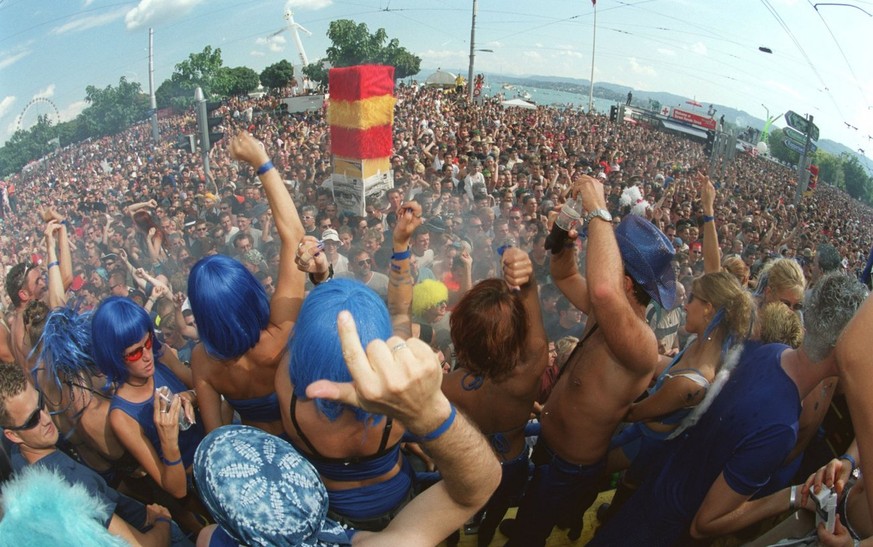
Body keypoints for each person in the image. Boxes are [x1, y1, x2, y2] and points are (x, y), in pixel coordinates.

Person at [591, 273, 868, 546]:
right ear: (841, 347)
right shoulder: (781, 428)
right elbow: (705, 524)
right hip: (664, 530)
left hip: (655, 492)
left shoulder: (769, 351)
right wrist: (794, 496)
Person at [195, 310, 500, 546]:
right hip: (391, 499)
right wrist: (429, 410)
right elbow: (478, 486)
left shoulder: (208, 538)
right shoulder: (358, 541)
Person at [503, 175, 676, 546]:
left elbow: (601, 288)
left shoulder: (640, 344)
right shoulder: (605, 315)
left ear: (626, 283)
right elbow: (564, 274)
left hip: (571, 465)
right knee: (532, 515)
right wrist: (566, 233)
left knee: (530, 535)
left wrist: (599, 208)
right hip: (550, 448)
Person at [602, 271, 753, 521]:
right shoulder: (712, 343)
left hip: (643, 443)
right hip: (645, 437)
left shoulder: (690, 383)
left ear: (708, 309)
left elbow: (635, 413)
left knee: (597, 470)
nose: (685, 303)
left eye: (692, 298)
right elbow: (667, 367)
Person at [189, 131, 305, 438]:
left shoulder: (203, 360)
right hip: (307, 445)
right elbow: (294, 237)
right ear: (249, 293)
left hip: (258, 456)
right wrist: (262, 162)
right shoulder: (279, 334)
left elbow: (216, 437)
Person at [275, 275, 414, 530]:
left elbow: (307, 346)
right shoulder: (400, 390)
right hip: (399, 505)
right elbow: (402, 316)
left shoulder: (288, 388)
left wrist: (323, 309)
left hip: (335, 512)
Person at [0, 362, 190, 546]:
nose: (45, 418)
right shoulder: (71, 482)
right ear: (12, 435)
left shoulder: (18, 455)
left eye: (40, 402)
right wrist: (163, 521)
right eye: (32, 419)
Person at [91, 296, 205, 503]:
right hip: (196, 482)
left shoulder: (162, 358)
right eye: (134, 353)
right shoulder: (122, 416)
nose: (147, 355)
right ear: (114, 357)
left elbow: (205, 389)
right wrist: (168, 438)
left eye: (149, 342)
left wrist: (190, 397)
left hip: (215, 445)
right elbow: (175, 489)